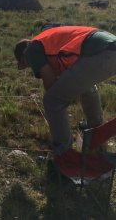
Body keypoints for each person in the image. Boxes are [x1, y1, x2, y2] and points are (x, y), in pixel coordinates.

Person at [14, 25, 116, 157]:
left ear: (23, 58)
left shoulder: (31, 49)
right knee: (85, 87)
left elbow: (50, 83)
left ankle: (63, 153)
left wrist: (57, 104)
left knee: (52, 100)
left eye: (27, 65)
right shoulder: (47, 43)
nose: (31, 67)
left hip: (100, 52)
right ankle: (96, 133)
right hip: (108, 47)